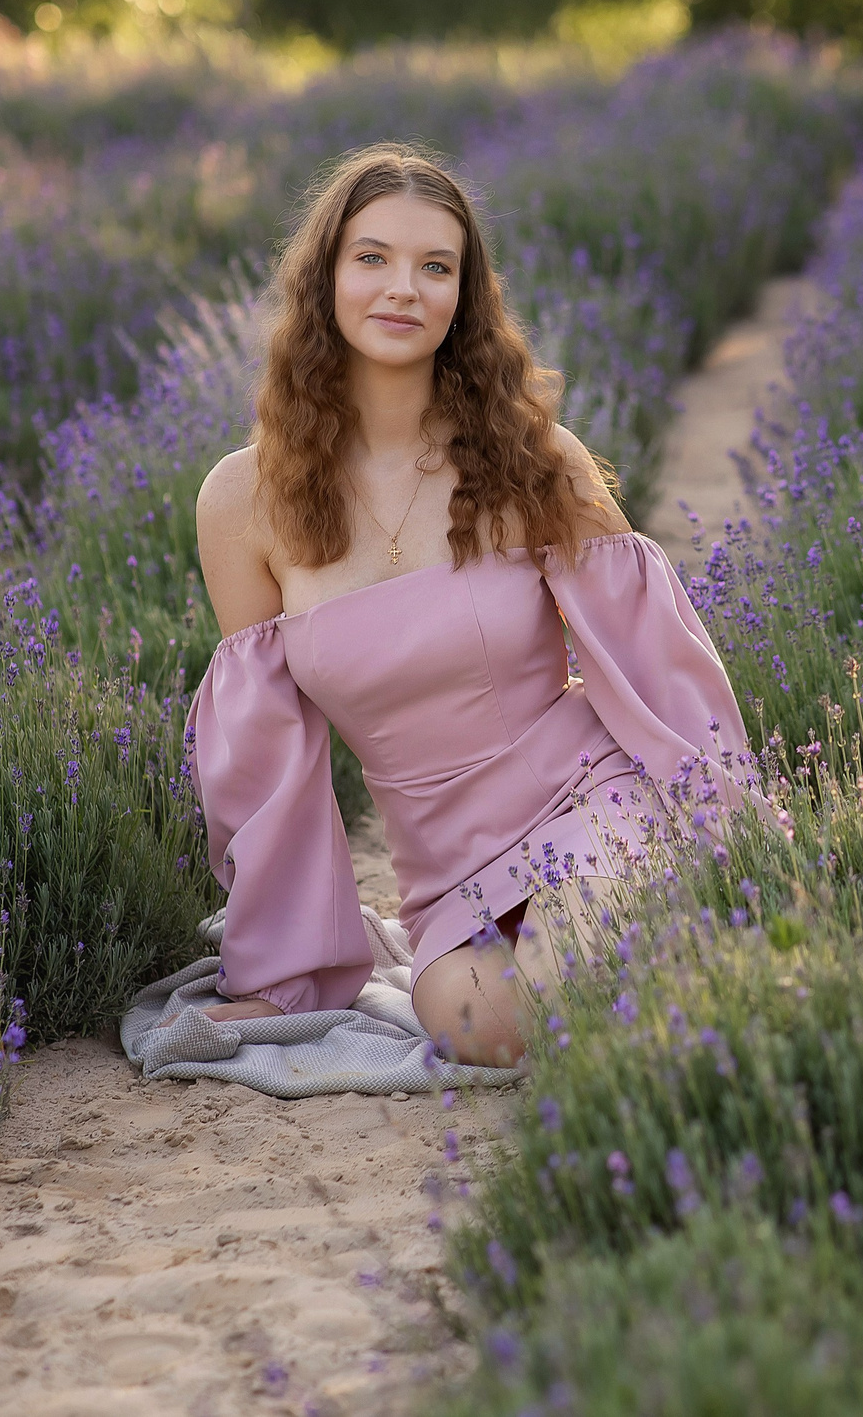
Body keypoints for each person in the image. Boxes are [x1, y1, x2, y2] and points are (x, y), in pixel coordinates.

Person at [187, 143, 748, 1066]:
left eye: (434, 266)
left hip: (592, 800)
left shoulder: (532, 457)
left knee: (577, 973)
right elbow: (268, 764)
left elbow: (656, 657)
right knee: (479, 1026)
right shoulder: (243, 501)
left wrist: (731, 819)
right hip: (447, 878)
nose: (402, 287)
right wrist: (277, 980)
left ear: (463, 296)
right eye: (372, 257)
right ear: (324, 278)